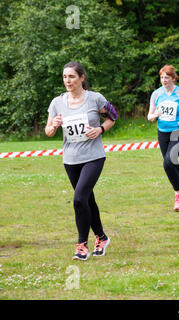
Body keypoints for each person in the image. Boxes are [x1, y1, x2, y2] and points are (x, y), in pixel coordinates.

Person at [45, 61, 117, 260]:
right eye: (65, 77)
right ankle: (101, 237)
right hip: (70, 159)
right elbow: (48, 131)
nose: (68, 80)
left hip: (93, 157)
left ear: (82, 78)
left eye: (72, 77)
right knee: (86, 199)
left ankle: (81, 245)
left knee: (78, 199)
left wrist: (100, 129)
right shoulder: (57, 102)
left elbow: (113, 116)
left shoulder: (95, 99)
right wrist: (55, 126)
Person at [148, 65, 179, 211]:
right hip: (163, 133)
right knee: (172, 165)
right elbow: (149, 115)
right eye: (161, 77)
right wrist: (154, 115)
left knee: (168, 162)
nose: (164, 80)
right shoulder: (156, 94)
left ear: (173, 78)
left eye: (167, 77)